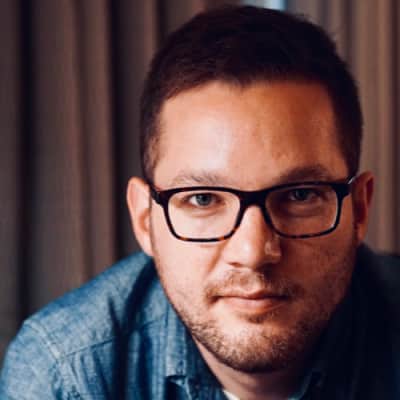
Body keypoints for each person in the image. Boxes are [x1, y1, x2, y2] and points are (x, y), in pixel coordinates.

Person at [1, 5, 399, 399]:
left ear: (359, 208)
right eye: (203, 199)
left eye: (300, 195)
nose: (253, 253)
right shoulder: (65, 377)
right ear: (145, 220)